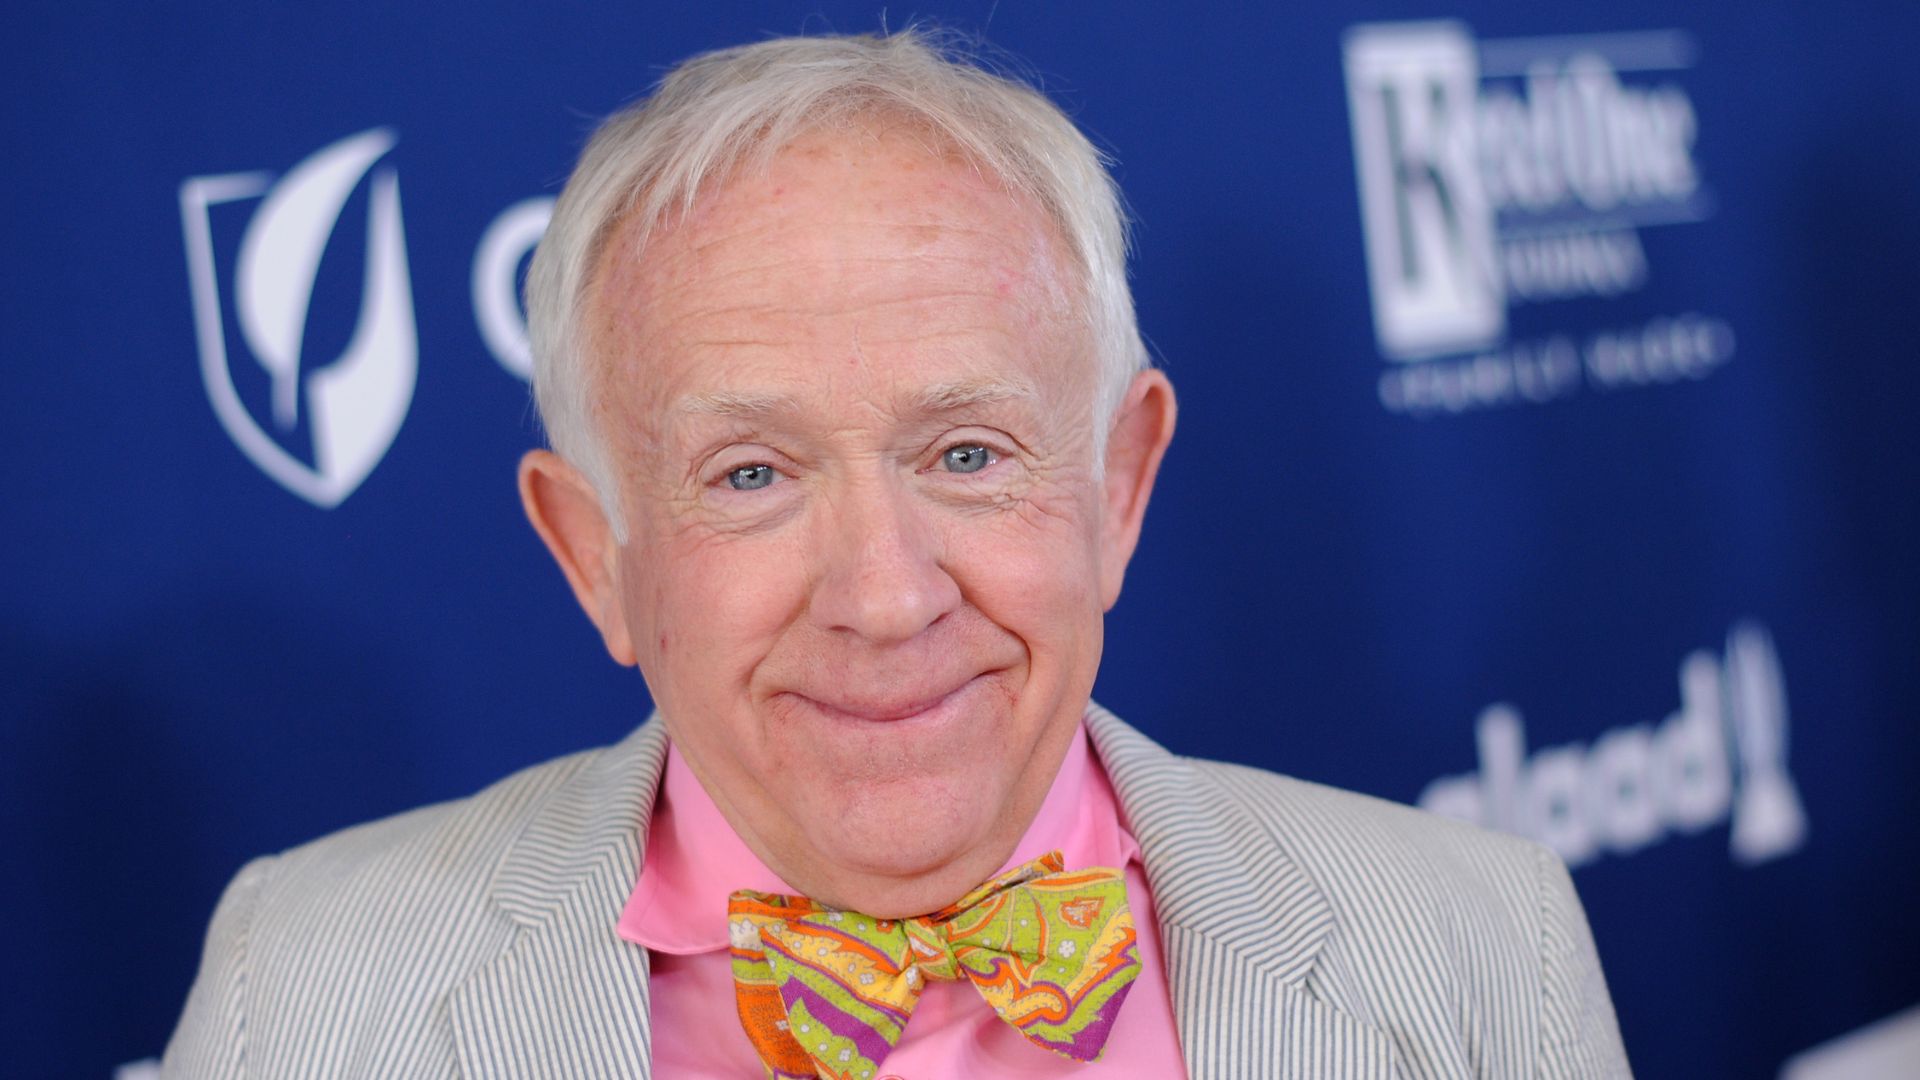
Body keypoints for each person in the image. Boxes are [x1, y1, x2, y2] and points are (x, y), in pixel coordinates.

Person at [164, 29, 1630, 1079]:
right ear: (594, 553)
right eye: (751, 472)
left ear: (1117, 487)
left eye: (968, 454)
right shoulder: (301, 993)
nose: (884, 595)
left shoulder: (1485, 946)